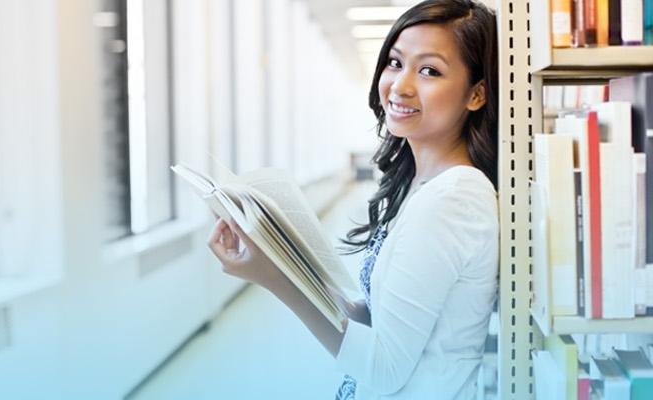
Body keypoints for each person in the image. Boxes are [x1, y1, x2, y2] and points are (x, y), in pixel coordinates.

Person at [206, 0, 498, 398]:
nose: (400, 85)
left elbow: (383, 368)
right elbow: (383, 319)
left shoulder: (454, 200)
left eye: (429, 70)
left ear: (476, 94)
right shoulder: (423, 186)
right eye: (395, 63)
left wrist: (273, 279)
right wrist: (282, 260)